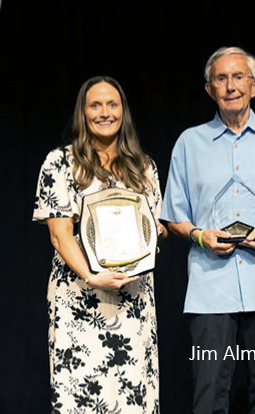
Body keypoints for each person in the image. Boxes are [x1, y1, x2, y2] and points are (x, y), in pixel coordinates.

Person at [160, 46, 255, 414]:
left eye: (239, 77)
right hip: (210, 289)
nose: (231, 86)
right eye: (221, 78)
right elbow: (172, 215)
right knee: (209, 393)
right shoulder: (189, 143)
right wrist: (200, 236)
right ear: (209, 89)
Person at [33, 75, 167, 414]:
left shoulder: (144, 167)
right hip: (79, 299)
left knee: (134, 396)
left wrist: (148, 236)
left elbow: (158, 229)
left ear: (123, 112)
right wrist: (93, 276)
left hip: (134, 298)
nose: (104, 112)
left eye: (112, 104)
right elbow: (59, 234)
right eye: (95, 105)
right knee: (80, 396)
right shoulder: (60, 163)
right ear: (83, 112)